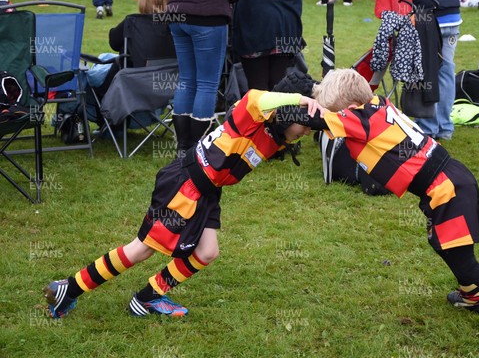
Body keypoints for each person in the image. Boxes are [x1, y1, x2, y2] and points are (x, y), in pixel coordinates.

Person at [279, 68, 479, 343]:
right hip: (450, 181)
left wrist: (266, 107)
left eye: (339, 112)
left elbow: (315, 120)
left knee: (468, 265)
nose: (338, 118)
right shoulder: (377, 104)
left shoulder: (359, 118)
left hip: (446, 191)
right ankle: (473, 296)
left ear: (352, 107)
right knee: (442, 244)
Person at [43, 87, 324, 318]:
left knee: (207, 251)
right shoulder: (250, 114)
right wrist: (301, 99)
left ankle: (148, 298)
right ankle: (69, 288)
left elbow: (326, 122)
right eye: (305, 122)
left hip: (208, 191)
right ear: (288, 115)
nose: (308, 130)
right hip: (186, 185)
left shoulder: (275, 135)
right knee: (142, 249)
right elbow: (254, 97)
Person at [159, 0, 240, 158]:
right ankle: (196, 148)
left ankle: (183, 148)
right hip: (208, 13)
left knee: (187, 81)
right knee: (206, 84)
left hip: (178, 13)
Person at [407, 0, 472, 141]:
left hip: (425, 15)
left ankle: (427, 126)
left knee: (426, 71)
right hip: (451, 16)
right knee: (446, 71)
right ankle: (444, 126)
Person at [233, 0, 304, 92]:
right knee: (277, 87)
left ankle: (263, 112)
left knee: (257, 91)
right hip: (287, 24)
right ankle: (275, 112)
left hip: (257, 24)